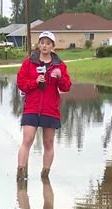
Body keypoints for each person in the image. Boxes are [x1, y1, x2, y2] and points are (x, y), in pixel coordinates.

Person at [16, 31, 72, 181]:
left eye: (48, 43)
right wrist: (35, 82)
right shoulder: (29, 63)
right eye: (42, 42)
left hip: (50, 109)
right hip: (32, 108)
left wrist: (60, 77)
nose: (45, 46)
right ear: (39, 44)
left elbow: (67, 87)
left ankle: (45, 176)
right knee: (27, 140)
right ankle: (20, 174)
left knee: (48, 143)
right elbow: (21, 84)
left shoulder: (59, 66)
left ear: (53, 46)